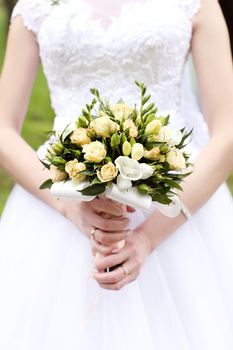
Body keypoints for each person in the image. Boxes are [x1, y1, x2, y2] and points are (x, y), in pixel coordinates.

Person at [0, 0, 233, 349]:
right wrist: (70, 206)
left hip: (176, 207)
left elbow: (228, 131)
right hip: (58, 206)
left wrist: (148, 238)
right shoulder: (36, 6)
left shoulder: (196, 4)